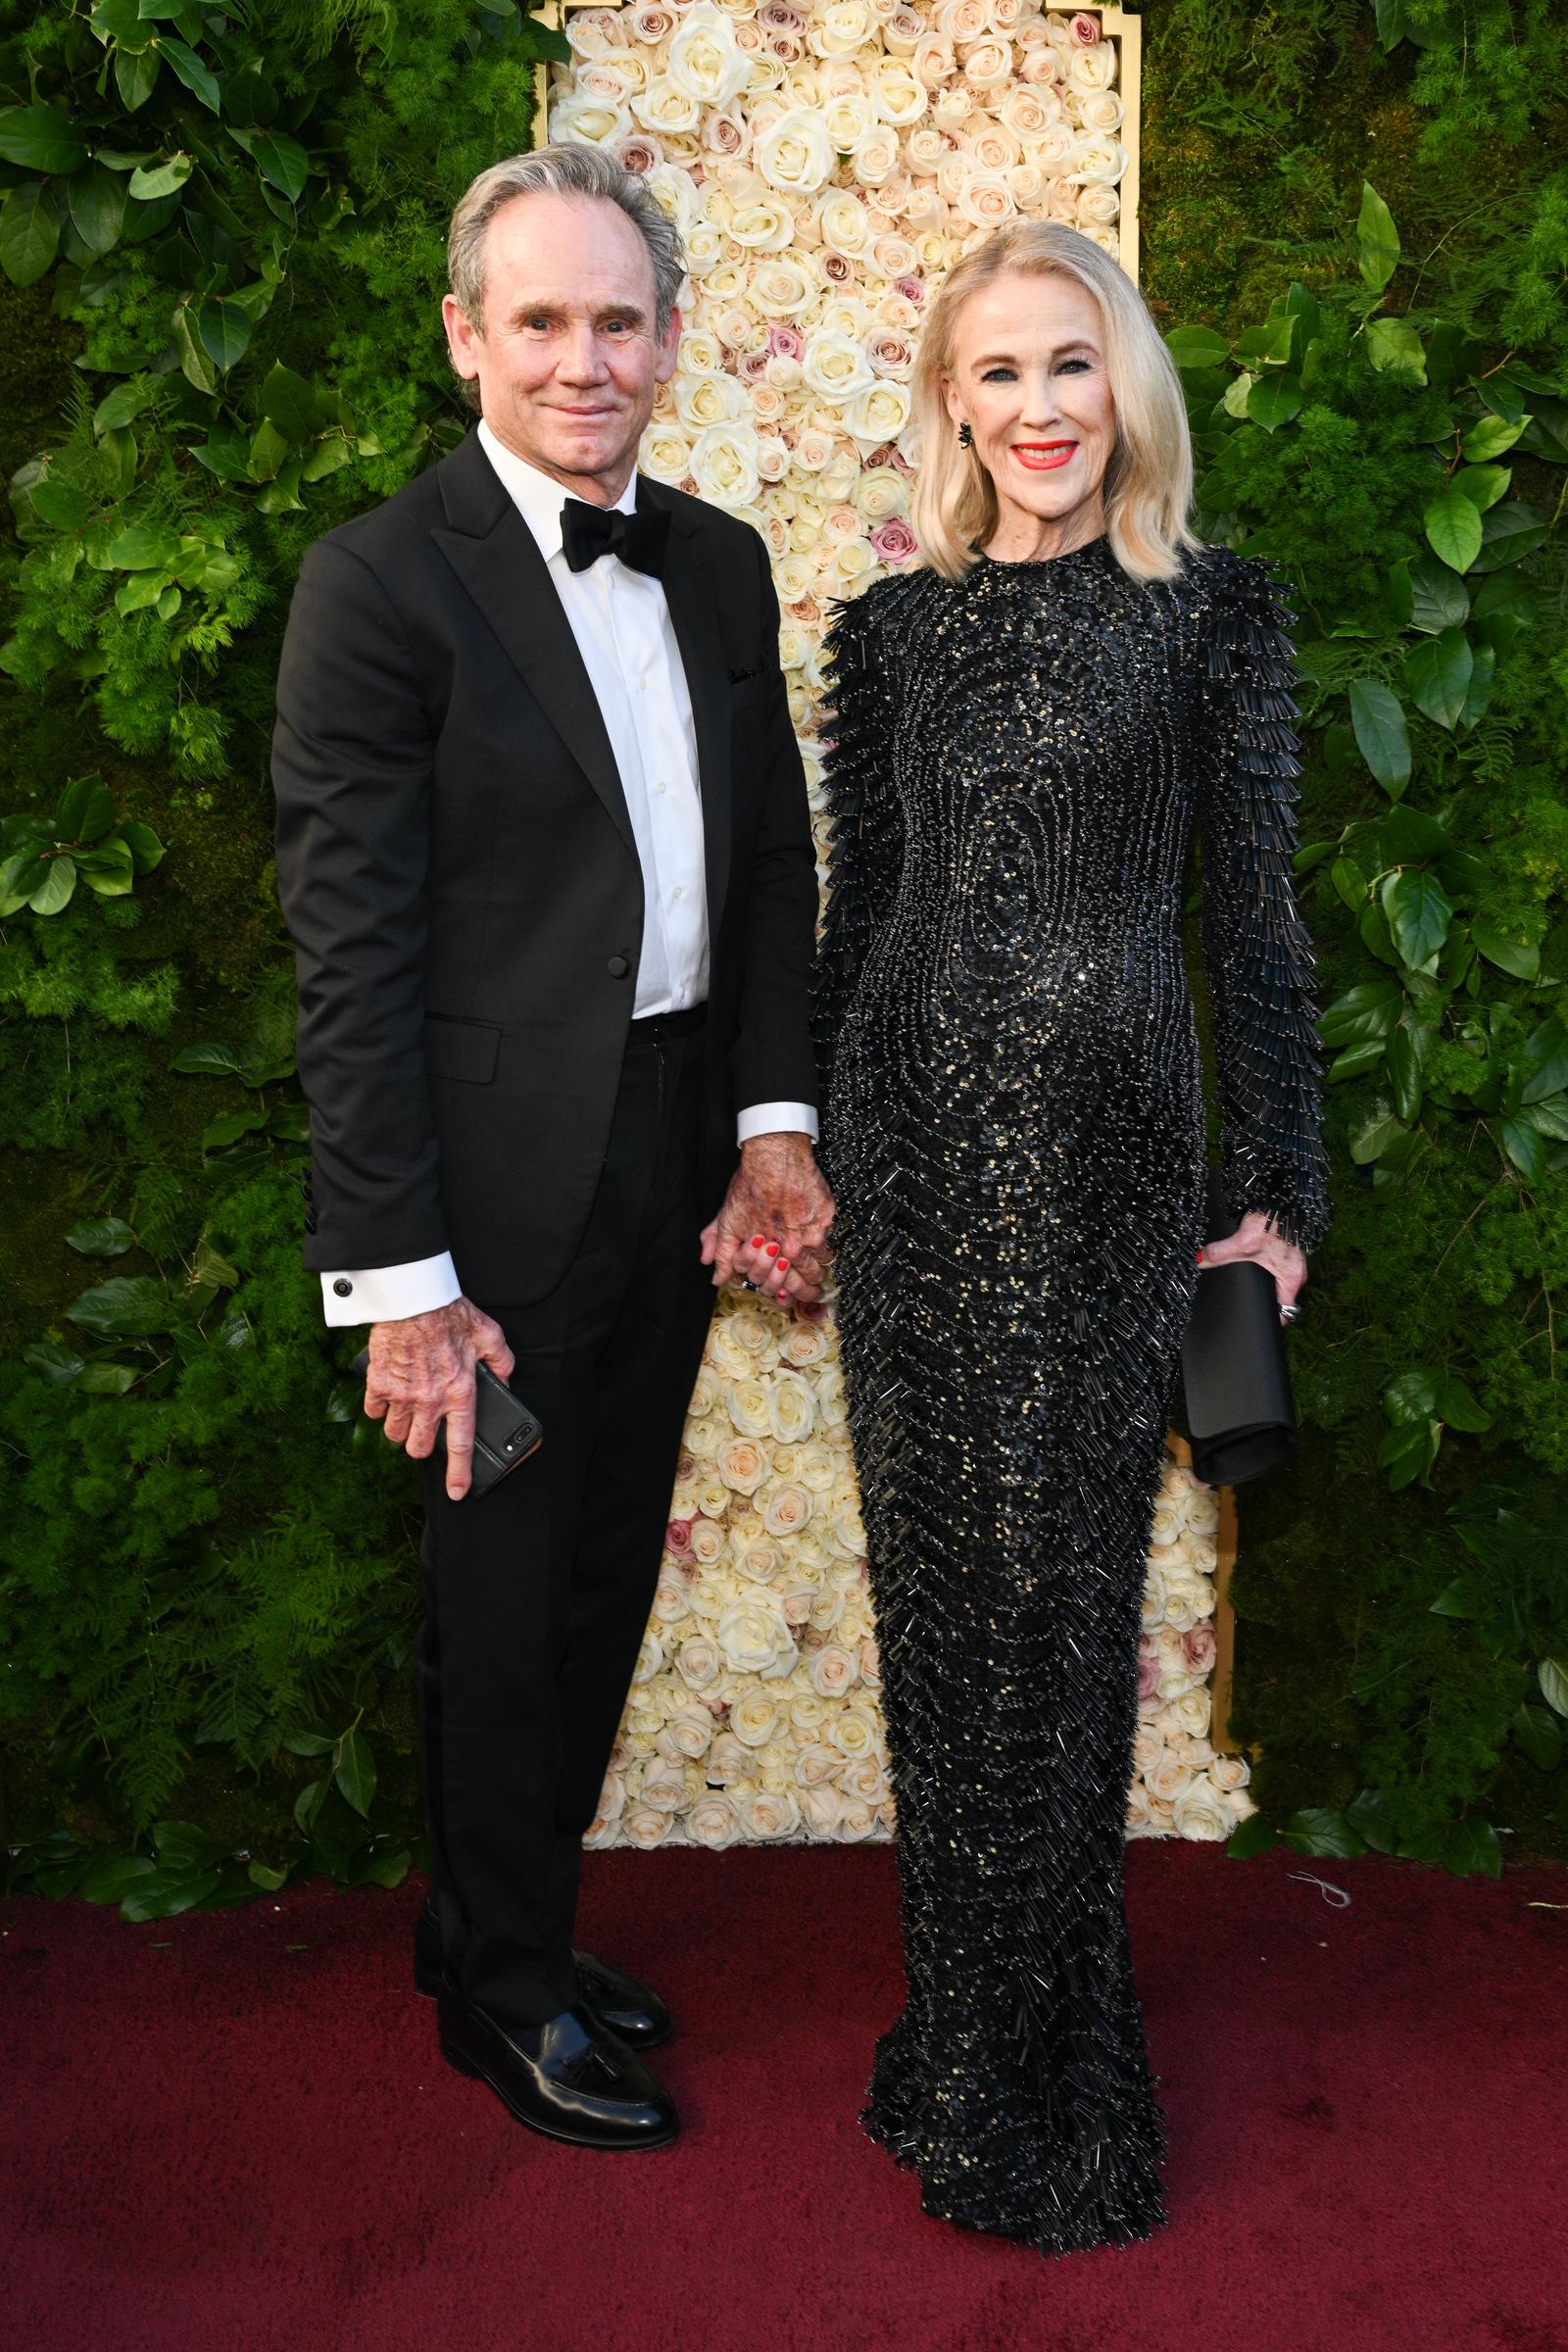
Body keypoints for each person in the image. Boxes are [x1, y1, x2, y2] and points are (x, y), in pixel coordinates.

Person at [271, 144, 833, 2153]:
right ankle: (501, 1995)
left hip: (675, 1143)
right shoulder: (377, 583)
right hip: (486, 1200)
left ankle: (491, 1928)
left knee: (598, 1574)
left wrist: (773, 1121)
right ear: (464, 337)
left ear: (669, 336)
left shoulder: (718, 561)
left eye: (617, 320)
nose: (583, 360)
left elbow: (770, 877)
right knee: (500, 1599)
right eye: (540, 321)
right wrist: (401, 1287)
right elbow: (354, 962)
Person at [813, 221, 1329, 2254]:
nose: (1035, 408)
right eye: (996, 372)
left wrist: (1269, 1197)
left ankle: (1055, 2084)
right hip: (910, 1160)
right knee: (942, 1628)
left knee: (1055, 1622)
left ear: (1125, 385)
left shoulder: (1212, 619)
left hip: (1112, 1169)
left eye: (1068, 364)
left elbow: (1249, 929)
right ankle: (957, 2035)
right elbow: (859, 924)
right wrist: (807, 1152)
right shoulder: (886, 636)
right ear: (950, 399)